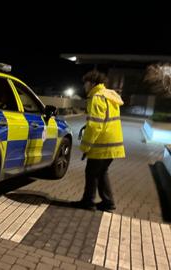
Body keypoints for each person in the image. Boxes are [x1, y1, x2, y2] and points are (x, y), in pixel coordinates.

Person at [73, 70, 125, 211]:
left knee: (92, 173)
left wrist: (86, 146)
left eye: (85, 83)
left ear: (92, 83)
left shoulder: (97, 97)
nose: (84, 86)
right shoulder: (109, 96)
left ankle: (88, 202)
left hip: (101, 144)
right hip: (112, 143)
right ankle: (108, 203)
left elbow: (95, 125)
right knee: (101, 172)